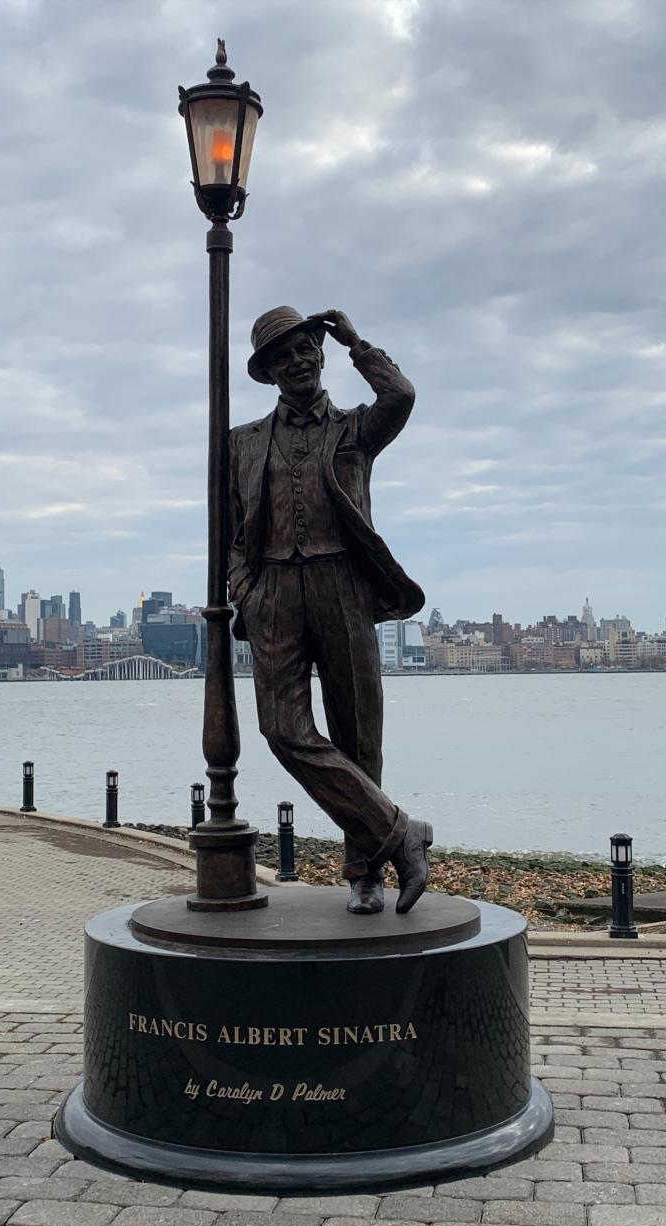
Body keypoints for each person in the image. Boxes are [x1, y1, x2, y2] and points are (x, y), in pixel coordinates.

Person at [228, 305, 433, 915]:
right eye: (281, 355)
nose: (296, 361)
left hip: (343, 582)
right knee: (281, 731)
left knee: (357, 732)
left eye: (304, 348)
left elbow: (402, 394)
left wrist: (356, 343)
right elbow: (229, 534)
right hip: (275, 595)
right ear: (266, 372)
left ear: (320, 352)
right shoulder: (241, 444)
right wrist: (248, 589)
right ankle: (402, 832)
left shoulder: (355, 429)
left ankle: (364, 872)